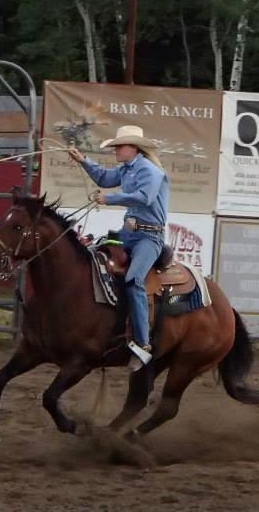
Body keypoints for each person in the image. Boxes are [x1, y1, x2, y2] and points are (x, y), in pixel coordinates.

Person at [68, 125, 169, 372]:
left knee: (134, 279)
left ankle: (143, 344)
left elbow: (144, 197)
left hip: (149, 237)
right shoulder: (127, 168)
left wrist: (109, 198)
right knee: (93, 257)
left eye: (118, 146)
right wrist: (83, 160)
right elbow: (104, 177)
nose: (115, 150)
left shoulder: (150, 171)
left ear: (133, 148)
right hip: (128, 234)